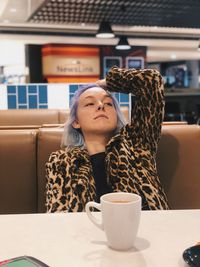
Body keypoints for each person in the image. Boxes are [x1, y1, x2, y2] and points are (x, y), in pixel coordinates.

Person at [46, 66, 169, 212]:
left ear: (116, 117)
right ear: (76, 122)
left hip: (148, 230)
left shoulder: (137, 142)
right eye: (90, 103)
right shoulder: (62, 162)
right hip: (87, 233)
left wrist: (106, 83)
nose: (100, 106)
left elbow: (151, 81)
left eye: (108, 103)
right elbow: (58, 216)